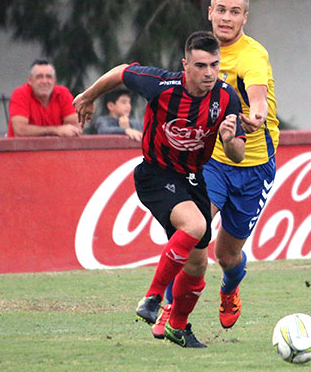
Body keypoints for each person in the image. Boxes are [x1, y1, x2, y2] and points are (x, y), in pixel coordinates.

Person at [74, 31, 246, 348]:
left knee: (198, 265)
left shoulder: (227, 98)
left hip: (194, 178)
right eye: (201, 65)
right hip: (155, 173)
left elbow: (237, 154)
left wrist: (229, 138)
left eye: (214, 65)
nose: (209, 73)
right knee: (195, 225)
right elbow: (120, 72)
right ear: (186, 65)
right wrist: (88, 97)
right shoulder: (162, 85)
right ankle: (152, 298)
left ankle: (177, 327)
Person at [151, 0, 280, 338]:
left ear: (245, 18)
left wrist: (253, 115)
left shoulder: (253, 56)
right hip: (209, 162)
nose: (226, 18)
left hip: (253, 166)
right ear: (209, 12)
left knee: (226, 255)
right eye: (220, 9)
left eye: (234, 11)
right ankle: (167, 306)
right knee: (191, 232)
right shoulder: (200, 53)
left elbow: (256, 95)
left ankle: (230, 287)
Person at [7, 59, 82, 137]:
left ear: (54, 80)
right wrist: (56, 130)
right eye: (39, 77)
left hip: (56, 148)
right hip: (23, 148)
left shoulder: (63, 94)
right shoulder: (20, 94)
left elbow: (76, 128)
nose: (44, 81)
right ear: (30, 81)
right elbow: (20, 131)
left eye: (49, 77)